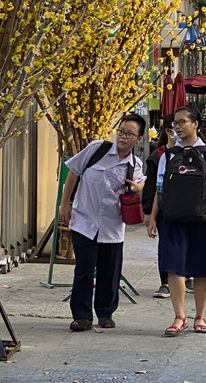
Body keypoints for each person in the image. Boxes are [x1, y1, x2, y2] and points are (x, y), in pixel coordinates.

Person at [59, 113, 146, 331]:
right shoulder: (97, 149)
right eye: (121, 131)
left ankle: (105, 313)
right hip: (84, 219)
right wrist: (64, 204)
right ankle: (81, 315)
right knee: (84, 269)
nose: (123, 137)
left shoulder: (134, 164)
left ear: (139, 139)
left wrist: (136, 187)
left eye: (129, 134)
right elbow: (73, 172)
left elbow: (140, 182)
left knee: (110, 271)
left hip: (112, 225)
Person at [146, 106, 206, 336]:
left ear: (195, 124)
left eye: (182, 122)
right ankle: (179, 316)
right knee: (173, 267)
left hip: (202, 218)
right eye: (175, 123)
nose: (178, 127)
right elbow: (160, 189)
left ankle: (200, 316)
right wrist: (153, 217)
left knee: (201, 268)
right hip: (172, 218)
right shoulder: (167, 155)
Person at [142, 117, 178, 299]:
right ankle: (166, 281)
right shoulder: (158, 157)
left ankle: (185, 276)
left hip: (191, 209)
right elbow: (152, 187)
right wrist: (149, 212)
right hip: (164, 209)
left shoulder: (196, 153)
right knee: (166, 245)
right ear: (168, 131)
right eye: (176, 125)